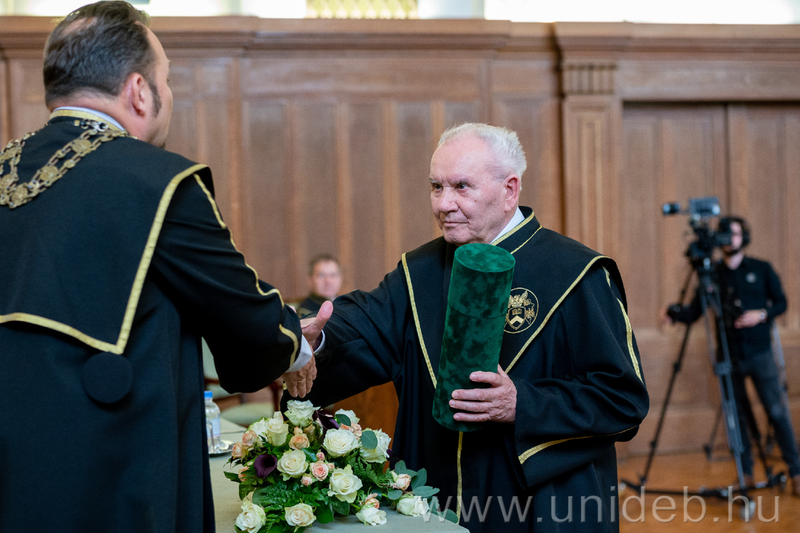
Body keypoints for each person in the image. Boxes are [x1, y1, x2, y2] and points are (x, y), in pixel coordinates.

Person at [0, 2, 323, 532]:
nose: (167, 93)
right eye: (166, 79)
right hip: (104, 472)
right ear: (138, 90)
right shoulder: (159, 183)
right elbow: (237, 304)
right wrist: (295, 342)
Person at [288, 123, 649, 532]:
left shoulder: (576, 273)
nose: (444, 204)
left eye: (461, 187)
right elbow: (364, 326)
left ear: (510, 190)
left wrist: (522, 403)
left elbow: (622, 399)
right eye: (436, 187)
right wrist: (314, 342)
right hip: (436, 497)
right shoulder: (419, 270)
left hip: (542, 507)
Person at [665, 216, 800, 495]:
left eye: (734, 234)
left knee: (777, 412)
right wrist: (672, 313)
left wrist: (760, 314)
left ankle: (797, 470)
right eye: (724, 235)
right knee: (736, 419)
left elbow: (782, 303)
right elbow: (693, 313)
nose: (729, 240)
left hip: (760, 354)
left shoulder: (761, 268)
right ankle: (745, 474)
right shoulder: (712, 274)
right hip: (729, 357)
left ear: (744, 237)